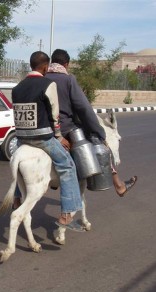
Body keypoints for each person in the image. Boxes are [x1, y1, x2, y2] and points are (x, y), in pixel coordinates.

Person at [45, 48, 137, 197]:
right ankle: (119, 185)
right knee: (99, 145)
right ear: (66, 64)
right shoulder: (68, 80)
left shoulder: (42, 79)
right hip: (65, 128)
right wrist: (99, 132)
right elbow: (83, 108)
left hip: (43, 128)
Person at [12, 51, 84, 232]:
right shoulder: (48, 84)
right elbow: (54, 113)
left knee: (18, 167)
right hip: (42, 138)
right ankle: (67, 214)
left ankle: (17, 198)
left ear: (31, 65)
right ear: (45, 67)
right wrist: (59, 137)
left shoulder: (17, 87)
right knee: (67, 166)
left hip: (21, 138)